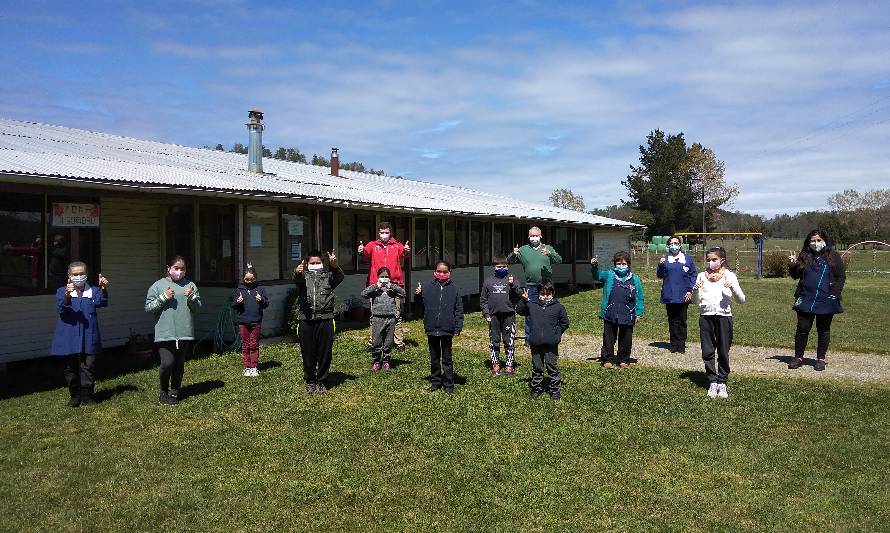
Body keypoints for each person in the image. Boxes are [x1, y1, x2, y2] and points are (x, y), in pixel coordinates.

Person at [145, 255, 202, 406]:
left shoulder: (190, 285)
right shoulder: (157, 286)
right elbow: (149, 308)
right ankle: (163, 390)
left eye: (182, 269)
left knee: (179, 364)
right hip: (165, 333)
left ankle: (174, 391)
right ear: (168, 268)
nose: (179, 271)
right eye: (176, 268)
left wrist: (192, 297)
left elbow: (197, 308)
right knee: (167, 362)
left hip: (184, 332)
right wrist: (163, 297)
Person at [51, 262, 109, 407]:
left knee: (88, 365)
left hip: (89, 334)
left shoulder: (93, 291)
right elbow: (61, 309)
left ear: (86, 274)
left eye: (81, 274)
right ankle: (75, 396)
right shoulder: (61, 291)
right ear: (69, 276)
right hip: (68, 335)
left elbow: (101, 302)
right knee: (70, 367)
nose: (79, 277)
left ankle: (87, 395)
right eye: (75, 274)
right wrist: (67, 296)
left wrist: (103, 288)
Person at [787, 229, 846, 371]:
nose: (816, 243)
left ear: (824, 241)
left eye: (819, 240)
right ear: (809, 242)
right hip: (806, 298)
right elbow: (796, 275)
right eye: (813, 240)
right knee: (802, 329)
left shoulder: (833, 256)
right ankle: (798, 357)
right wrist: (793, 264)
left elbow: (840, 277)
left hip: (826, 300)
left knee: (823, 330)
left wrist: (835, 293)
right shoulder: (805, 256)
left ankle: (820, 359)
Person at [693, 247, 745, 398]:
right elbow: (696, 302)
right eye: (708, 259)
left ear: (722, 260)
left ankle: (722, 382)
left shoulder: (729, 276)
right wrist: (695, 291)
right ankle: (712, 381)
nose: (711, 262)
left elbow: (741, 300)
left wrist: (733, 288)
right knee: (708, 351)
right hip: (706, 317)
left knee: (723, 350)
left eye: (714, 259)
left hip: (724, 317)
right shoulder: (701, 276)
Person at [293, 250, 344, 394]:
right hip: (306, 320)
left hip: (325, 319)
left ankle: (322, 380)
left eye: (318, 263)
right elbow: (296, 280)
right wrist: (297, 271)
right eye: (312, 263)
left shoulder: (328, 277)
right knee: (308, 353)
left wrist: (334, 266)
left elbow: (340, 277)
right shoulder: (304, 277)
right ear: (307, 265)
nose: (315, 265)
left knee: (324, 352)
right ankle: (310, 381)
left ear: (323, 263)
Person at [359, 222, 411, 350]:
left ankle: (399, 343)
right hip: (376, 285)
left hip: (394, 284)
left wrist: (407, 251)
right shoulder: (372, 245)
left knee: (396, 314)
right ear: (378, 233)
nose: (384, 235)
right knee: (374, 315)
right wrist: (361, 250)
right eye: (381, 232)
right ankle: (373, 343)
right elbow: (365, 255)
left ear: (390, 232)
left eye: (386, 232)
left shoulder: (397, 246)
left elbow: (404, 254)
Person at [415, 261, 463, 394]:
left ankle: (449, 384)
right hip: (431, 328)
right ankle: (436, 381)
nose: (442, 274)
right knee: (434, 357)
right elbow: (419, 307)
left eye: (445, 272)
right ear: (434, 272)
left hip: (447, 329)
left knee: (447, 358)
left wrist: (458, 326)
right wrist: (418, 295)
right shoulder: (427, 287)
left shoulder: (454, 289)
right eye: (439, 271)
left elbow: (458, 309)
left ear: (449, 273)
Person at [590, 252, 644, 369]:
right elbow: (597, 276)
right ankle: (607, 359)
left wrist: (638, 313)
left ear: (628, 264)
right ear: (615, 264)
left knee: (626, 338)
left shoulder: (635, 278)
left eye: (623, 263)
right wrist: (594, 266)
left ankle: (623, 359)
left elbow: (639, 297)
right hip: (611, 312)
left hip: (628, 313)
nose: (621, 265)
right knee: (609, 338)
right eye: (618, 263)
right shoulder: (609, 275)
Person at [516, 282, 569, 400]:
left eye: (548, 294)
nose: (545, 296)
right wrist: (523, 300)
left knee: (552, 366)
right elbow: (519, 311)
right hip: (535, 342)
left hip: (551, 344)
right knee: (537, 367)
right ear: (538, 293)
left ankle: (555, 390)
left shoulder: (558, 307)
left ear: (553, 294)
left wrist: (556, 334)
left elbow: (564, 323)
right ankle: (536, 389)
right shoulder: (532, 305)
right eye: (542, 293)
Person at [508, 226, 562, 340]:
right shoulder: (523, 250)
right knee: (530, 310)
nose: (534, 238)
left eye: (536, 235)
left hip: (546, 285)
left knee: (548, 309)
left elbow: (559, 260)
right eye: (532, 236)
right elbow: (509, 261)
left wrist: (550, 254)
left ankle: (549, 333)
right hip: (531, 285)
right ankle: (529, 337)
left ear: (541, 236)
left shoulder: (548, 248)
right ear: (528, 237)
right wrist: (513, 253)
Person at [480, 254, 522, 376]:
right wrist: (486, 313)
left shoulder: (512, 279)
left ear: (508, 266)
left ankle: (509, 365)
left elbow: (519, 294)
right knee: (494, 341)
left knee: (509, 341)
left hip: (509, 315)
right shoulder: (488, 281)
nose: (501, 268)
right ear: (494, 267)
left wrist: (513, 284)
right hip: (493, 316)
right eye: (498, 266)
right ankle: (495, 363)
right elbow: (483, 300)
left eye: (504, 266)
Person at [656, 235, 697, 353]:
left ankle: (681, 344)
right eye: (671, 243)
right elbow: (660, 275)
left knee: (682, 320)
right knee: (672, 320)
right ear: (668, 246)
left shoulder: (687, 259)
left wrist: (690, 290)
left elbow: (693, 275)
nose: (674, 245)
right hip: (669, 294)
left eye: (676, 243)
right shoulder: (665, 260)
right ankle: (673, 344)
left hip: (684, 294)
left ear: (680, 245)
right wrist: (660, 265)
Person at [362, 266, 406, 372]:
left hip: (390, 318)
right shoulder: (375, 288)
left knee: (388, 342)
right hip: (377, 318)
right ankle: (376, 361)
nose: (384, 278)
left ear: (390, 277)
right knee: (376, 341)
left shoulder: (393, 288)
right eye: (382, 276)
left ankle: (386, 360)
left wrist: (393, 287)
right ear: (378, 277)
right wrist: (375, 287)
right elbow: (363, 294)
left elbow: (403, 293)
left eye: (386, 276)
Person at [231, 265, 269, 377]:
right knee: (245, 345)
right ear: (243, 279)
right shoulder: (239, 290)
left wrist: (261, 300)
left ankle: (254, 367)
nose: (249, 281)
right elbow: (233, 306)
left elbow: (266, 304)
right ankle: (247, 367)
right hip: (243, 321)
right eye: (247, 279)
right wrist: (238, 302)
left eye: (252, 279)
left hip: (256, 321)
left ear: (255, 278)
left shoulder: (260, 289)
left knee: (254, 344)